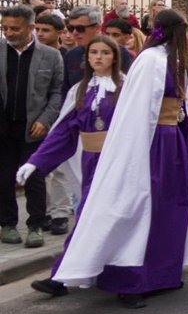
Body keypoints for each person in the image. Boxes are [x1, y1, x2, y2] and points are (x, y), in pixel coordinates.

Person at [49, 9, 188, 308]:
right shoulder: (150, 61)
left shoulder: (170, 60)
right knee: (143, 209)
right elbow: (139, 113)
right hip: (154, 145)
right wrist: (139, 154)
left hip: (173, 142)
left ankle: (164, 275)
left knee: (171, 209)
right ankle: (132, 280)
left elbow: (182, 108)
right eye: (183, 31)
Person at [23, 35, 124, 297]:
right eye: (93, 53)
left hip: (121, 163)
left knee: (121, 219)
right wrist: (37, 161)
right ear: (87, 58)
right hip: (91, 162)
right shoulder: (80, 90)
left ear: (115, 57)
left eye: (105, 52)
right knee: (88, 217)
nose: (99, 57)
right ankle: (63, 275)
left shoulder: (126, 88)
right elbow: (64, 132)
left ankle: (123, 277)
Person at [0, 5, 64, 248]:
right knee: (3, 178)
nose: (9, 32)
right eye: (5, 28)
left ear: (30, 27)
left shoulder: (50, 55)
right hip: (3, 128)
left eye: (15, 28)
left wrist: (45, 120)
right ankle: (7, 224)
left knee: (34, 178)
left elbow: (56, 93)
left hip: (34, 128)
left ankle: (35, 225)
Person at [34, 13, 73, 235]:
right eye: (38, 29)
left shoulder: (66, 56)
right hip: (35, 119)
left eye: (45, 30)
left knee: (59, 169)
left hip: (60, 117)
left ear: (59, 32)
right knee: (39, 169)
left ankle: (60, 212)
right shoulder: (32, 55)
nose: (40, 34)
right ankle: (44, 211)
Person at [63, 6, 133, 95]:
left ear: (97, 28)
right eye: (71, 28)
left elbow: (126, 87)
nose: (74, 33)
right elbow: (64, 89)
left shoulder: (119, 52)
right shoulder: (71, 55)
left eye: (80, 28)